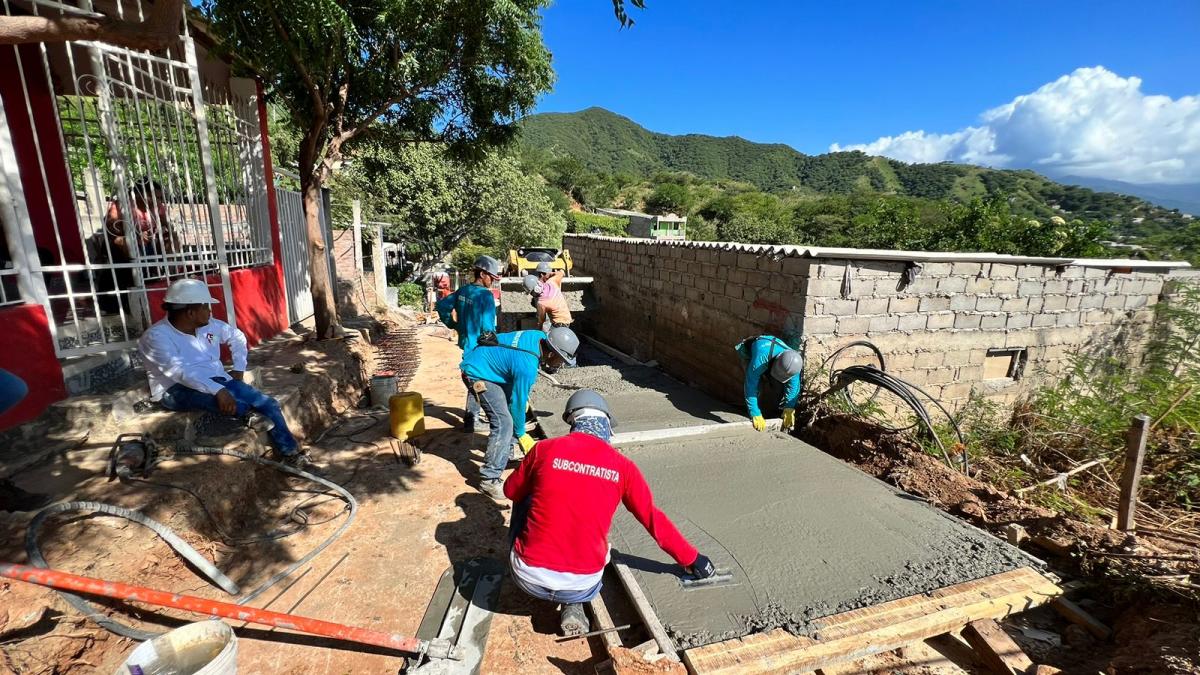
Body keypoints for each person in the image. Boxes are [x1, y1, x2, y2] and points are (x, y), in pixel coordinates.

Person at [504, 389, 715, 636]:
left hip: (526, 577)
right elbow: (651, 518)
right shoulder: (623, 467)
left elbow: (509, 491)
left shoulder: (544, 450)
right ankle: (574, 605)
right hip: (584, 585)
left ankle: (526, 555)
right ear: (605, 425)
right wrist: (693, 559)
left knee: (525, 493)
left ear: (573, 421)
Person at [138, 278, 313, 469]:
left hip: (217, 380)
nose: (210, 311)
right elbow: (179, 372)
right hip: (174, 389)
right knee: (217, 400)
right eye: (206, 306)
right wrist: (218, 391)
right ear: (190, 312)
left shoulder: (210, 325)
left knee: (268, 404)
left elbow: (236, 336)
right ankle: (247, 414)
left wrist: (238, 367)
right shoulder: (156, 337)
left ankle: (290, 452)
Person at [460, 327, 579, 500]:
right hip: (478, 372)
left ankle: (504, 453)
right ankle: (489, 479)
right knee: (504, 423)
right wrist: (521, 433)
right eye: (560, 361)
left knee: (511, 413)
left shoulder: (538, 336)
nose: (560, 365)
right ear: (552, 354)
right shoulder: (527, 367)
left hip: (493, 365)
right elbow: (517, 402)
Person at [436, 256, 503, 432]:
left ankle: (470, 418)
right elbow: (488, 327)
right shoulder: (485, 296)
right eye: (491, 278)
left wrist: (453, 324)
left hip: (467, 342)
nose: (492, 282)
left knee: (473, 377)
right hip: (480, 346)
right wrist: (494, 347)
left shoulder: (463, 291)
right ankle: (472, 420)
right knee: (479, 381)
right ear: (482, 274)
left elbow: (442, 307)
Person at [735, 335, 803, 433]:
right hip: (751, 354)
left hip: (772, 359)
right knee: (758, 386)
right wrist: (755, 412)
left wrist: (789, 407)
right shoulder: (760, 358)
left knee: (776, 387)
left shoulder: (795, 365)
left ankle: (768, 414)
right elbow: (750, 385)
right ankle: (754, 413)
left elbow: (793, 387)